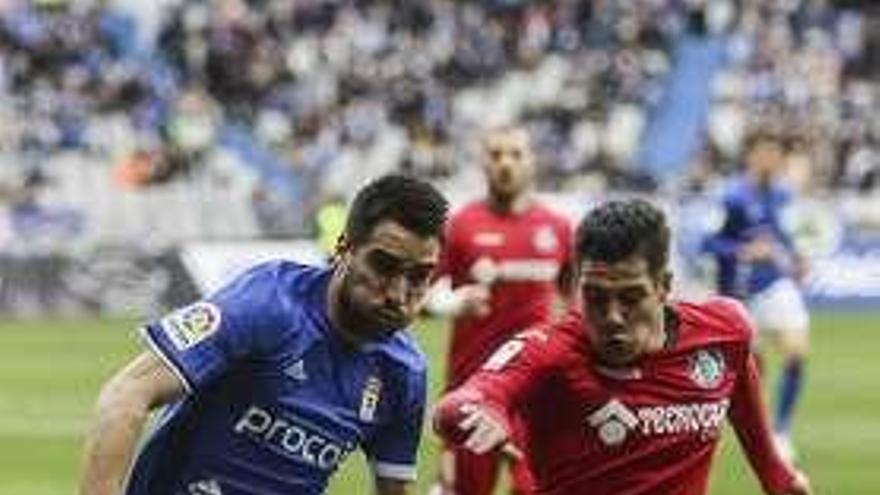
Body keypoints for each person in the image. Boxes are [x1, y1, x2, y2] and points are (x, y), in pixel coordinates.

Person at [79, 174, 449, 495]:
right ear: (343, 249)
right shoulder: (268, 303)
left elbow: (394, 488)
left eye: (419, 276)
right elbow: (126, 394)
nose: (399, 294)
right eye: (384, 266)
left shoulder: (404, 372)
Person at [433, 199, 811, 495]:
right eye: (595, 296)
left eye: (631, 297)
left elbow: (739, 378)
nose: (612, 316)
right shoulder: (549, 351)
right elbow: (455, 406)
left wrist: (777, 477)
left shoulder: (725, 331)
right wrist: (486, 413)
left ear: (664, 286)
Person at [425, 126, 573, 495]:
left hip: (535, 393)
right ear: (483, 163)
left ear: (532, 161)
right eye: (496, 155)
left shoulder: (558, 229)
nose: (505, 164)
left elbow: (575, 306)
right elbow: (418, 297)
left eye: (515, 154)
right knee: (464, 490)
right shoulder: (461, 226)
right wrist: (454, 303)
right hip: (473, 391)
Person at [701, 129, 810, 461]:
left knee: (796, 351)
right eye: (764, 152)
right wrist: (742, 251)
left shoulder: (783, 196)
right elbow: (707, 242)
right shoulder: (731, 196)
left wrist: (797, 257)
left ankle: (781, 431)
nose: (770, 160)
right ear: (750, 156)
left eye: (775, 154)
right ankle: (758, 432)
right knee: (753, 367)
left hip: (776, 284)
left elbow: (785, 236)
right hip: (741, 291)